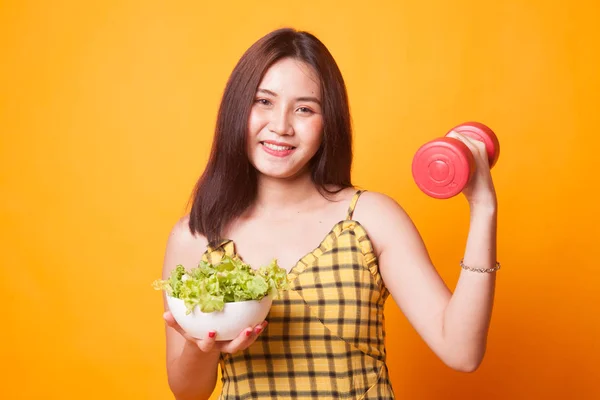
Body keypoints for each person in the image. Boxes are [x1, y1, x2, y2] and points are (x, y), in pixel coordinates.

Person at [159, 27, 499, 400]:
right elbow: (188, 393)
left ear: (328, 123)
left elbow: (462, 352)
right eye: (264, 101)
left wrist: (482, 208)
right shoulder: (196, 236)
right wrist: (200, 345)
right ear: (237, 108)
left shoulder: (370, 219)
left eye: (304, 108)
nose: (281, 126)